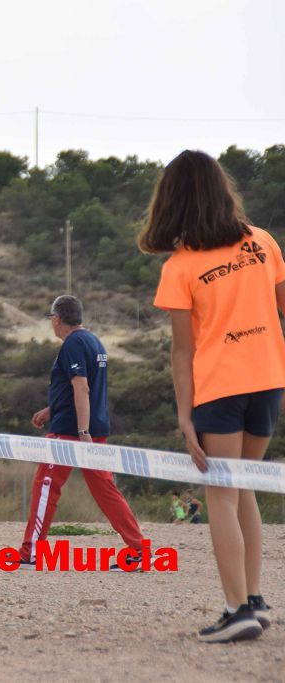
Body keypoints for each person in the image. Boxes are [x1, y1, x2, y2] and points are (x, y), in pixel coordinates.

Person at [141, 149, 280, 642]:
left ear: (172, 202)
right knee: (242, 489)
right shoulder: (263, 242)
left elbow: (184, 351)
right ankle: (256, 601)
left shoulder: (180, 267)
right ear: (224, 192)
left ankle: (237, 608)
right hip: (268, 381)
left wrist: (185, 416)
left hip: (220, 387)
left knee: (219, 494)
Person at [16, 295, 145, 570]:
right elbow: (80, 388)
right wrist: (50, 410)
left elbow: (82, 388)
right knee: (106, 491)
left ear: (57, 319)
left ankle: (31, 551)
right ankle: (139, 550)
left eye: (51, 319)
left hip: (71, 431)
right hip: (93, 426)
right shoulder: (93, 341)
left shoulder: (72, 343)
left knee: (46, 486)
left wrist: (81, 430)